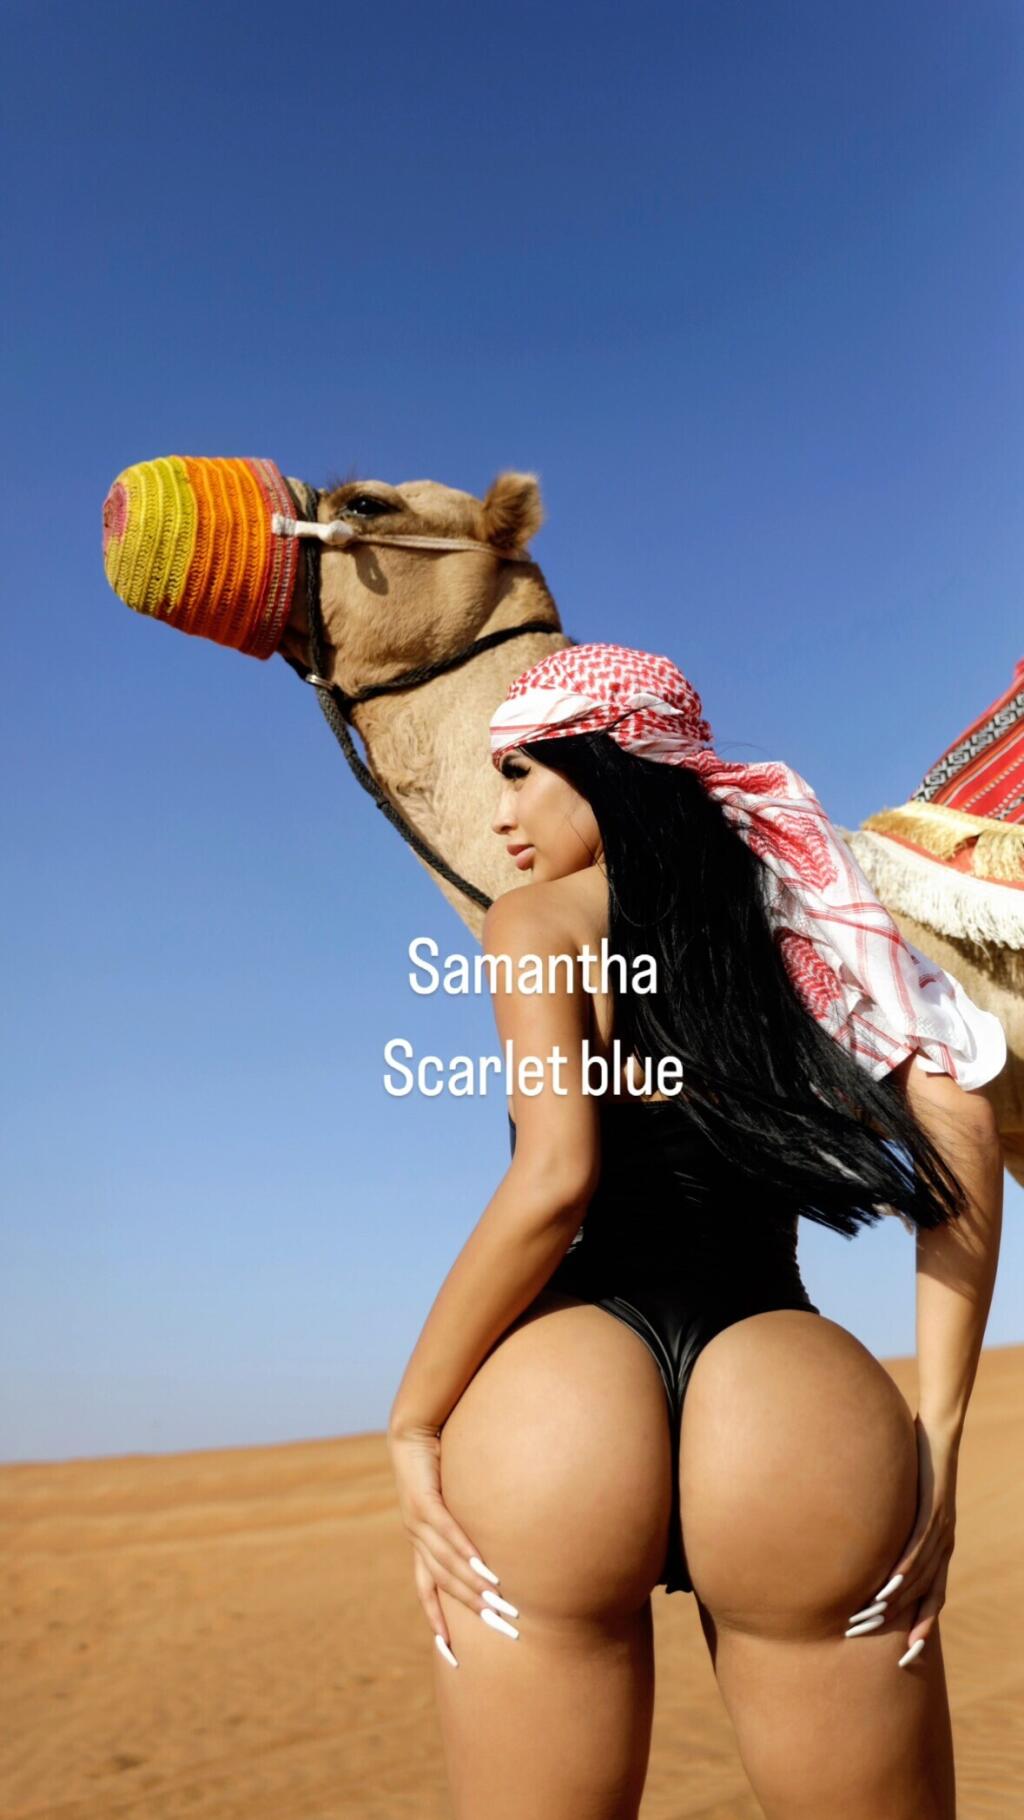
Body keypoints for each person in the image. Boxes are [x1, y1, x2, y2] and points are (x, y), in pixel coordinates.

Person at [387, 642, 1006, 1820]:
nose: (501, 812)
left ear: (607, 763)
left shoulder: (536, 920)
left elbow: (555, 1178)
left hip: (559, 1410)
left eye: (520, 770)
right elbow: (961, 1119)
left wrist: (415, 1416)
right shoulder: (807, 910)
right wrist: (937, 1431)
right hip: (785, 1401)